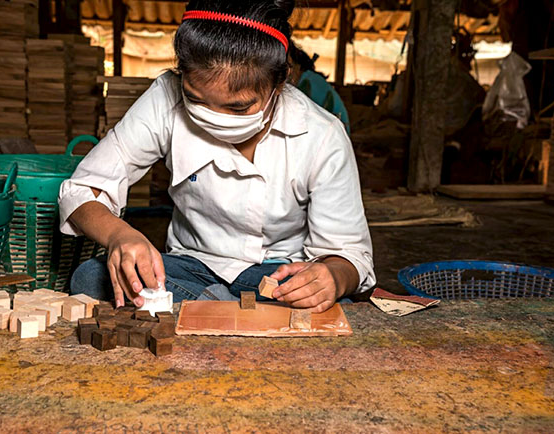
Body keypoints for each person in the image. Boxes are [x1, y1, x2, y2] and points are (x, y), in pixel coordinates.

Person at [59, 0, 375, 313]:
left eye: (238, 107)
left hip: (277, 276)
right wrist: (120, 235)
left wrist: (332, 277)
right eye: (195, 99)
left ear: (280, 83)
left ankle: (210, 310)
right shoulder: (164, 98)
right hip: (188, 267)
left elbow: (348, 256)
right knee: (92, 278)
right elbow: (83, 190)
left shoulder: (322, 136)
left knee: (333, 304)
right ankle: (241, 316)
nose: (214, 118)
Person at [288, 44, 351, 134]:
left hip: (334, 135)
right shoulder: (311, 78)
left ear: (298, 66)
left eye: (290, 66)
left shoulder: (307, 83)